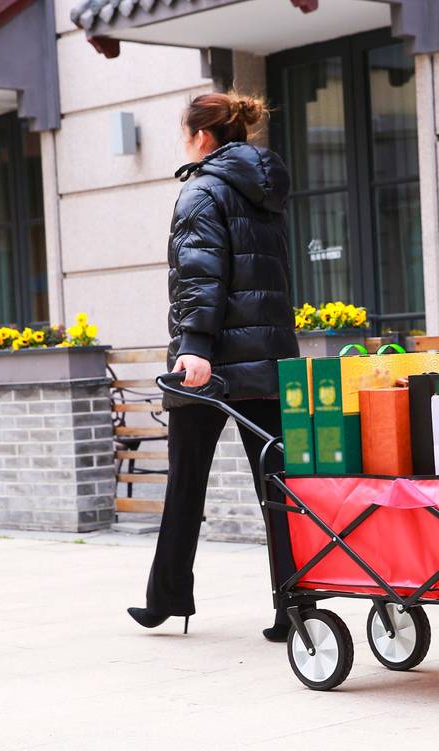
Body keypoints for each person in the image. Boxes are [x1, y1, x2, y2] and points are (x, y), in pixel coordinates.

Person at [127, 92, 301, 642]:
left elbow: (201, 276)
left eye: (184, 132)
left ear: (202, 136)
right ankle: (296, 607)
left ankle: (168, 599)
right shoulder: (265, 193)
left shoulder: (201, 190)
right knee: (278, 487)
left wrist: (195, 347)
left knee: (185, 485)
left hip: (210, 365)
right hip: (268, 359)